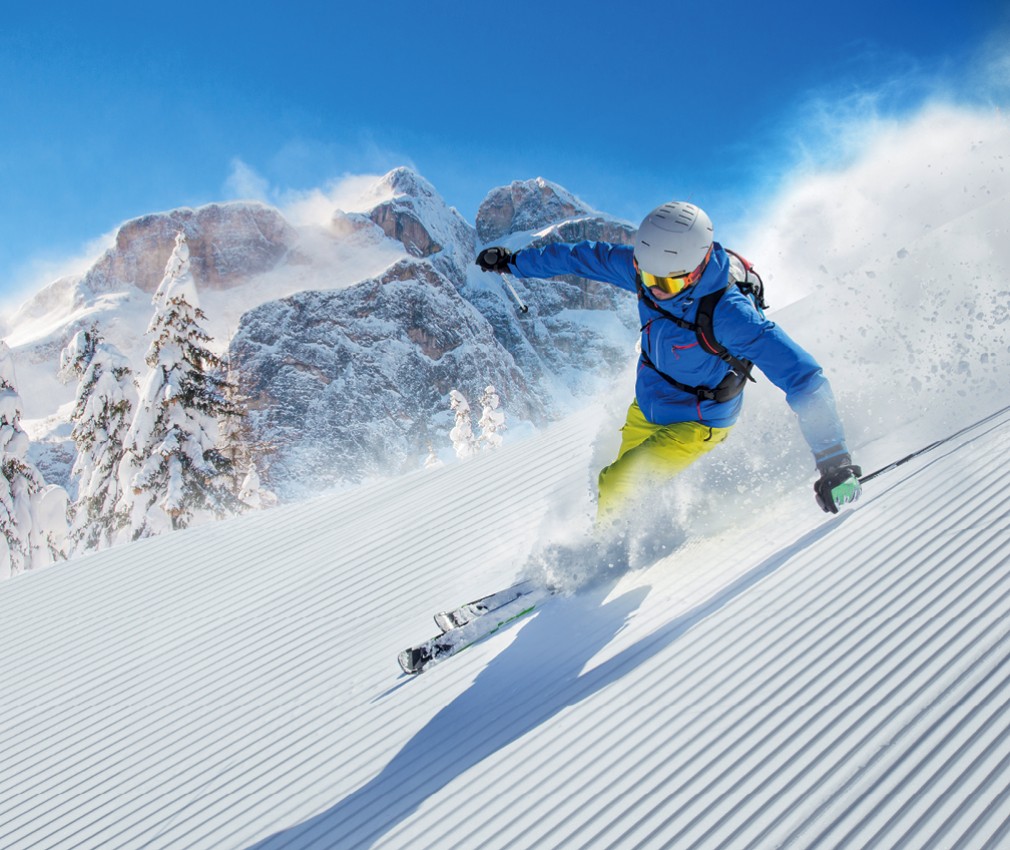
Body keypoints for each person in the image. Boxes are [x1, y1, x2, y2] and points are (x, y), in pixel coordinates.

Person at [475, 200, 861, 523]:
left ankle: (601, 555)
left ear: (699, 265)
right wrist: (513, 263)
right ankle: (619, 531)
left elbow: (804, 377)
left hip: (697, 421)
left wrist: (834, 460)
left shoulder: (730, 314)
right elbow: (582, 258)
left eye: (671, 283)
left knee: (617, 483)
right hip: (647, 405)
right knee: (618, 482)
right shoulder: (648, 273)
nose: (657, 290)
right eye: (648, 276)